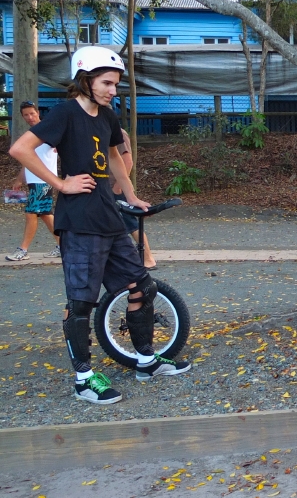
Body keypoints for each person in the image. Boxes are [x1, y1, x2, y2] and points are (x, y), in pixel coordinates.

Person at [8, 46, 191, 405]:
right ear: (85, 79)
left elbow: (114, 158)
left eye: (116, 84)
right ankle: (84, 380)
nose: (112, 90)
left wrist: (132, 195)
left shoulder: (106, 116)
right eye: (107, 83)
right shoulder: (64, 114)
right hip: (79, 222)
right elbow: (21, 149)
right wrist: (61, 184)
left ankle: (146, 361)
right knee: (80, 304)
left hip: (108, 215)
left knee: (143, 287)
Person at [6, 101, 60, 261]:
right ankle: (62, 245)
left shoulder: (48, 130)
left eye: (32, 113)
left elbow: (62, 142)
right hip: (33, 181)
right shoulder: (32, 134)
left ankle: (22, 250)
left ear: (38, 112)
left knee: (31, 213)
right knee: (45, 214)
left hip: (44, 181)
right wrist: (19, 179)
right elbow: (29, 160)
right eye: (26, 115)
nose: (30, 117)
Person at [112, 128, 157, 269]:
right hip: (105, 186)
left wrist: (118, 186)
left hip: (117, 186)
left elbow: (128, 162)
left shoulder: (119, 134)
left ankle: (148, 259)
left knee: (130, 223)